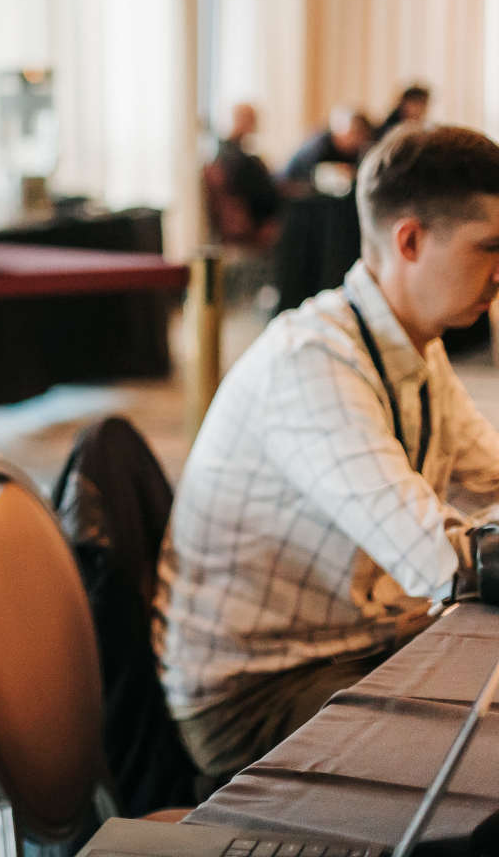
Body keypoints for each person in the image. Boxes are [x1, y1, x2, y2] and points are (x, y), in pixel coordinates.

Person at [155, 124, 499, 782]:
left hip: (355, 644)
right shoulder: (312, 362)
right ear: (410, 241)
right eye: (490, 247)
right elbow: (441, 562)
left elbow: (490, 484)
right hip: (255, 696)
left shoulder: (410, 346)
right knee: (487, 761)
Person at [203, 103, 282, 246]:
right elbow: (260, 192)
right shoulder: (236, 158)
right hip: (250, 222)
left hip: (251, 217)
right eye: (253, 120)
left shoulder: (226, 153)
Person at [282, 105, 373, 189]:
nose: (359, 142)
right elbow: (308, 177)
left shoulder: (354, 150)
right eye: (357, 136)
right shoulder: (319, 146)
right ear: (346, 132)